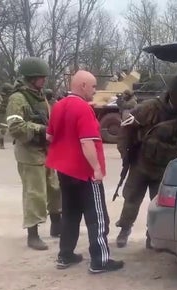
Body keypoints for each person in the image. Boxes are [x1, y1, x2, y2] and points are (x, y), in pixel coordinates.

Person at [45, 70, 124, 273]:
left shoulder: (58, 106)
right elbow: (86, 142)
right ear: (82, 86)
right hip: (84, 172)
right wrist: (96, 169)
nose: (95, 90)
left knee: (70, 213)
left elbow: (49, 137)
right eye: (94, 86)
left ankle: (65, 255)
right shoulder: (82, 108)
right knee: (97, 217)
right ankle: (100, 260)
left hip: (64, 170)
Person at [115, 74, 177, 248]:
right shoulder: (148, 108)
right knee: (131, 199)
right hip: (141, 164)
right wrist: (125, 152)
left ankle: (152, 235)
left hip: (164, 169)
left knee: (160, 206)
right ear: (174, 95)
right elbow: (126, 129)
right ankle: (124, 229)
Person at [6, 57, 62, 250]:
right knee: (35, 193)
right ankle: (33, 234)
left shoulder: (40, 96)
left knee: (55, 188)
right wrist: (41, 130)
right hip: (29, 153)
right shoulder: (18, 98)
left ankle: (57, 225)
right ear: (31, 78)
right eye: (41, 77)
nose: (44, 80)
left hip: (46, 150)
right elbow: (15, 127)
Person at [0, 83, 14, 149]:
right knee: (3, 130)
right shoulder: (0, 97)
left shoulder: (10, 96)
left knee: (15, 127)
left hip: (9, 114)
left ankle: (15, 142)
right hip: (3, 114)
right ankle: (1, 144)